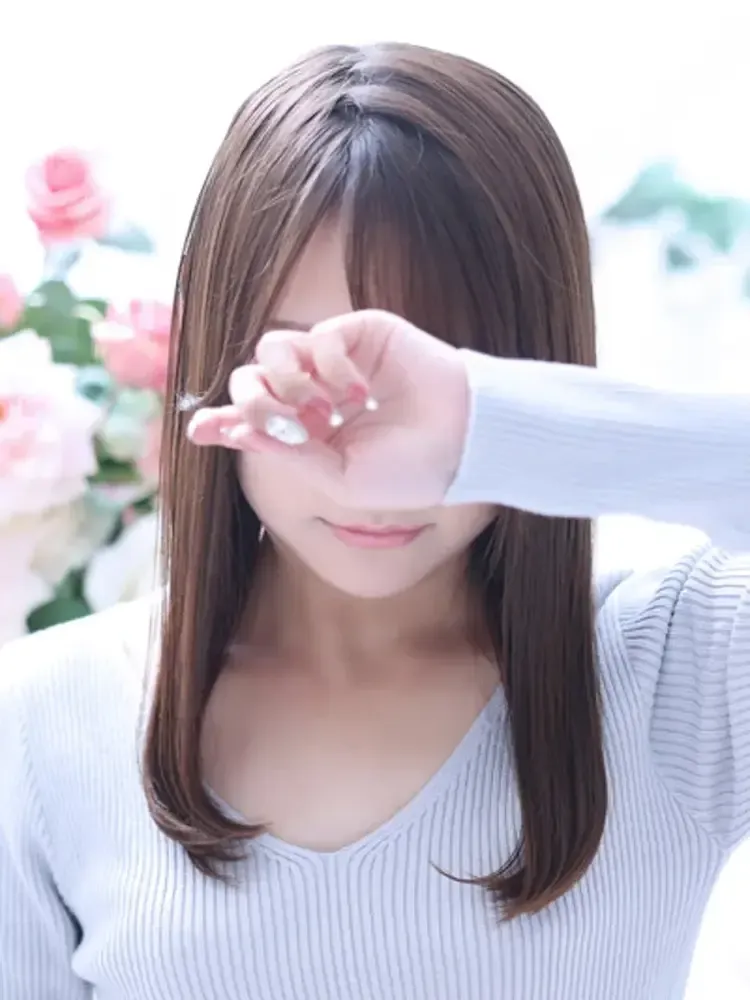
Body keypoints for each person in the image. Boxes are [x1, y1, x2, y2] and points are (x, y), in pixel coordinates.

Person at [0, 42, 747, 1000]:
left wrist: (483, 423)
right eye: (307, 369)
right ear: (218, 357)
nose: (372, 472)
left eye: (439, 371)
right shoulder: (43, 721)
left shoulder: (682, 672)